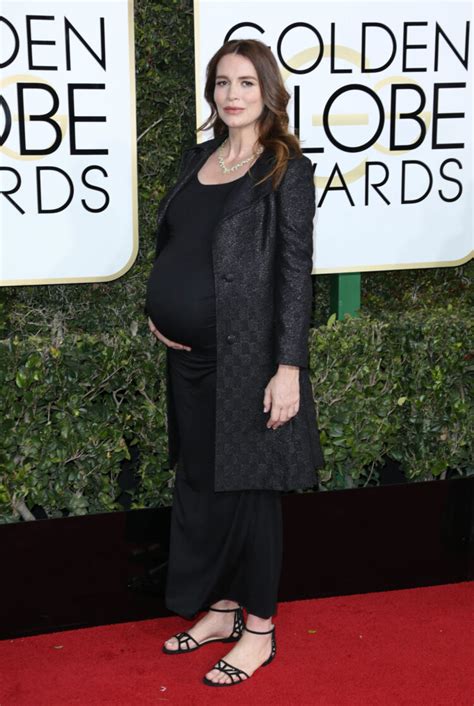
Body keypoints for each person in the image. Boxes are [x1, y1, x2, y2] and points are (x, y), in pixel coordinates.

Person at [144, 38, 324, 687]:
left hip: (250, 361)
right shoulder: (198, 158)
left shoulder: (286, 170)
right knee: (200, 484)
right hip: (188, 360)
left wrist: (288, 367)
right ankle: (221, 611)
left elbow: (296, 273)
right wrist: (159, 309)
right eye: (222, 82)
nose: (233, 94)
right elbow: (177, 242)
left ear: (268, 91)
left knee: (250, 495)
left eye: (246, 82)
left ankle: (260, 631)